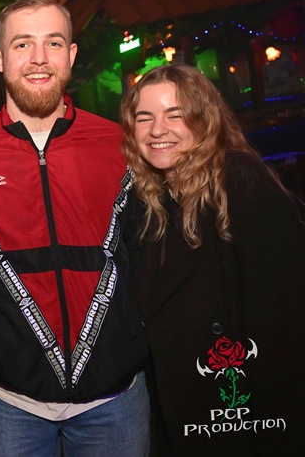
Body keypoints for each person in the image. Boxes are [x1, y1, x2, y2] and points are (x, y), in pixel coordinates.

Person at [0, 0, 149, 456]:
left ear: (71, 55)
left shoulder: (122, 147)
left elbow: (152, 248)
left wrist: (133, 329)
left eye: (53, 43)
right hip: (9, 402)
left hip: (114, 398)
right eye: (23, 44)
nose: (39, 58)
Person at [120, 63, 305, 455]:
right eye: (144, 117)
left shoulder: (239, 179)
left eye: (175, 115)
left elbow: (284, 313)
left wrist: (270, 425)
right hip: (186, 403)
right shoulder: (152, 199)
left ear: (204, 121)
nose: (157, 130)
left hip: (241, 407)